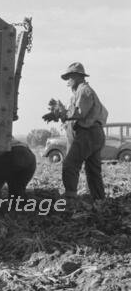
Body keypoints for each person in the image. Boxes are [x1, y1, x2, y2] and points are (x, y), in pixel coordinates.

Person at [44, 62, 108, 202]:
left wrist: (59, 113)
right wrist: (58, 115)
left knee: (70, 164)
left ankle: (70, 198)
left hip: (88, 134)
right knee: (93, 170)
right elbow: (74, 114)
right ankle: (99, 200)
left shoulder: (83, 91)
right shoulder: (80, 92)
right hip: (94, 134)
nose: (67, 81)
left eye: (70, 77)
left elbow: (78, 113)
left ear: (78, 77)